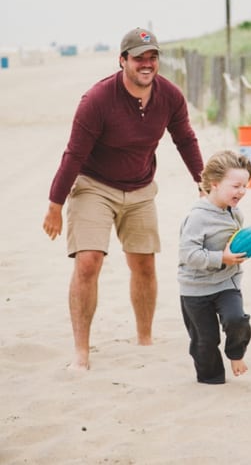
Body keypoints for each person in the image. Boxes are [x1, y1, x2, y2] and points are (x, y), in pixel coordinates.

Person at [43, 27, 204, 370]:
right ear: (123, 61)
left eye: (152, 57)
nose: (146, 64)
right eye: (138, 58)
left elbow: (185, 139)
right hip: (94, 185)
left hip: (141, 187)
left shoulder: (170, 96)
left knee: (144, 264)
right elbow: (73, 155)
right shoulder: (97, 100)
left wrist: (202, 181)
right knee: (88, 262)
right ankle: (81, 353)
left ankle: (144, 339)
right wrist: (55, 205)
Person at [178, 150, 251, 384]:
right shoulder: (197, 217)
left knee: (237, 320)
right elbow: (188, 254)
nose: (242, 191)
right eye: (235, 186)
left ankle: (236, 354)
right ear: (214, 184)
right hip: (195, 288)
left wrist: (243, 252)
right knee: (204, 340)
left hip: (226, 282)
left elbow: (232, 244)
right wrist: (221, 258)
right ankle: (211, 380)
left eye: (245, 185)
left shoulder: (236, 213)